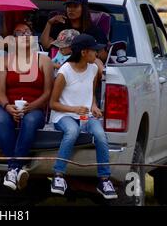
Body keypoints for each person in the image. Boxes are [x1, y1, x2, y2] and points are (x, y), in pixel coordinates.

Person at [49, 34, 118, 200]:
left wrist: (93, 105)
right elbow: (53, 103)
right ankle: (58, 176)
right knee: (72, 131)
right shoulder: (65, 71)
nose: (97, 53)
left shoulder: (93, 69)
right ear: (83, 52)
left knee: (101, 135)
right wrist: (73, 109)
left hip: (85, 116)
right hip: (63, 115)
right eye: (94, 50)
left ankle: (104, 180)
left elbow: (90, 93)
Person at [0, 21, 54, 191]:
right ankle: (15, 169)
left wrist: (31, 106)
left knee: (29, 120)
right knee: (0, 118)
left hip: (35, 108)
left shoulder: (44, 60)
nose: (25, 35)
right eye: (20, 33)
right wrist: (7, 107)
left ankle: (13, 168)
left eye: (28, 32)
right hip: (9, 106)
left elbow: (48, 92)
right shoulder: (4, 60)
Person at [40, 0, 107, 52]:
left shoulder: (94, 31)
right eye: (69, 6)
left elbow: (103, 57)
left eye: (75, 6)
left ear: (84, 9)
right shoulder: (60, 27)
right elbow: (45, 46)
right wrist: (49, 23)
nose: (71, 10)